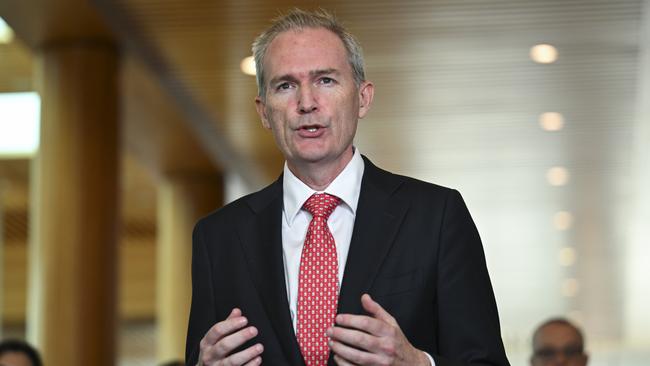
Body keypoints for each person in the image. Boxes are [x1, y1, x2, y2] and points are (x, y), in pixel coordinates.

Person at [185, 8, 509, 366]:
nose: (306, 103)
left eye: (326, 80)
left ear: (363, 98)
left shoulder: (436, 216)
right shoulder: (218, 238)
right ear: (264, 112)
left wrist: (416, 363)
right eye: (285, 85)